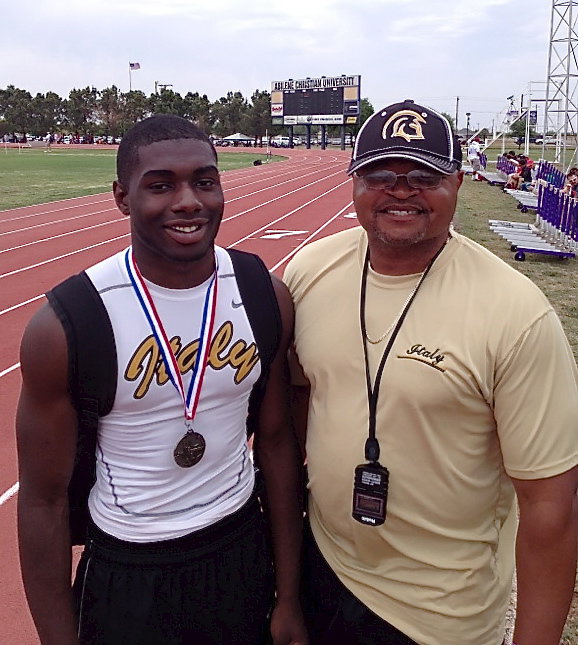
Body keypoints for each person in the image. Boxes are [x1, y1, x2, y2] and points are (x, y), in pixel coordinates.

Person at [284, 99, 578, 645]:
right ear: (353, 183)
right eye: (381, 174)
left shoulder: (516, 313)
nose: (401, 190)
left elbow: (550, 507)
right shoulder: (310, 271)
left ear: (458, 184)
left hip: (439, 615)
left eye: (424, 176)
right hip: (321, 569)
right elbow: (301, 392)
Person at [17, 114, 308, 645]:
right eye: (160, 185)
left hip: (239, 550)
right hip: (129, 571)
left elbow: (276, 442)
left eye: (204, 180)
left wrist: (288, 596)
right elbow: (42, 500)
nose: (188, 201)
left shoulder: (262, 294)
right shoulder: (69, 323)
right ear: (122, 198)